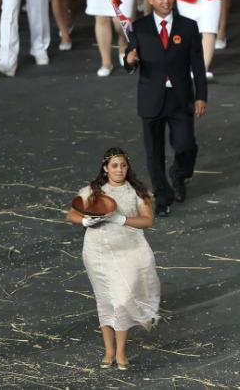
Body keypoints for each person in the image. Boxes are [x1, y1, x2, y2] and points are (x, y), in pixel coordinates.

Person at [66, 147, 160, 370]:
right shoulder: (94, 190)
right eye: (115, 166)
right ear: (106, 168)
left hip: (129, 250)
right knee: (106, 299)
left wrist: (122, 219)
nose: (120, 170)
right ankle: (109, 351)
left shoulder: (137, 191)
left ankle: (121, 352)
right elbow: (71, 213)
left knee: (122, 300)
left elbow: (148, 220)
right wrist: (84, 221)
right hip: (98, 252)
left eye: (123, 165)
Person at [124, 0, 207, 216]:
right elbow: (129, 60)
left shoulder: (188, 27)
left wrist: (201, 96)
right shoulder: (139, 27)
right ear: (150, 0)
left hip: (180, 98)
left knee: (186, 145)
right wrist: (129, 62)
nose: (166, 0)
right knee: (154, 153)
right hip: (151, 99)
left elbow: (198, 66)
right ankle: (162, 196)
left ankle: (180, 174)